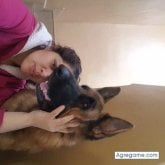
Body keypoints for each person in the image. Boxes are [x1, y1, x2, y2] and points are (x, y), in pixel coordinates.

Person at [0, 0, 82, 133]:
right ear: (52, 48)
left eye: (48, 80)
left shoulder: (12, 85)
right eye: (53, 65)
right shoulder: (21, 25)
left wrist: (32, 119)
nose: (43, 74)